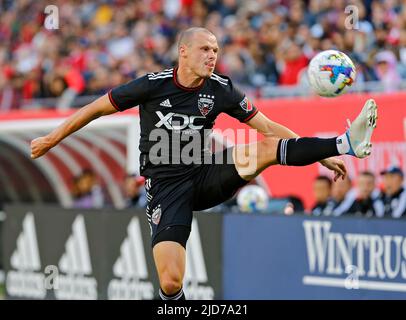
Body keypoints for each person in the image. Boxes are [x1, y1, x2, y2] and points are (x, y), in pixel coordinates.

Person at [31, 27, 378, 300]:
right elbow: (94, 109)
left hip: (205, 173)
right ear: (183, 52)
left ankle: (346, 141)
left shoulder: (221, 89)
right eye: (205, 49)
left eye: (215, 50)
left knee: (265, 147)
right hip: (167, 190)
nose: (212, 56)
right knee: (169, 282)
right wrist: (51, 138)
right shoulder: (151, 86)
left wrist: (326, 153)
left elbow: (270, 127)